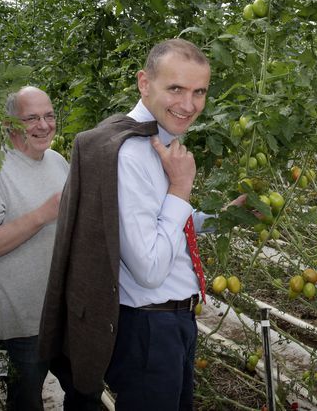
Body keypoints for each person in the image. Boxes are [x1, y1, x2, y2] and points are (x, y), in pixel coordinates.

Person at [39, 38, 245, 410]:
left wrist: (224, 216)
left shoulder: (157, 143)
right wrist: (181, 189)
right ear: (144, 84)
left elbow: (163, 222)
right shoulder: (131, 155)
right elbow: (149, 268)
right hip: (149, 329)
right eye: (176, 89)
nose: (189, 104)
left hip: (171, 322)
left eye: (199, 92)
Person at [0, 86, 69, 411]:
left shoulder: (58, 161)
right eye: (31, 118)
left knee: (85, 392)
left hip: (63, 313)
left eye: (49, 115)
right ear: (9, 125)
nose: (44, 125)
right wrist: (41, 215)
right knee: (24, 402)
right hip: (19, 323)